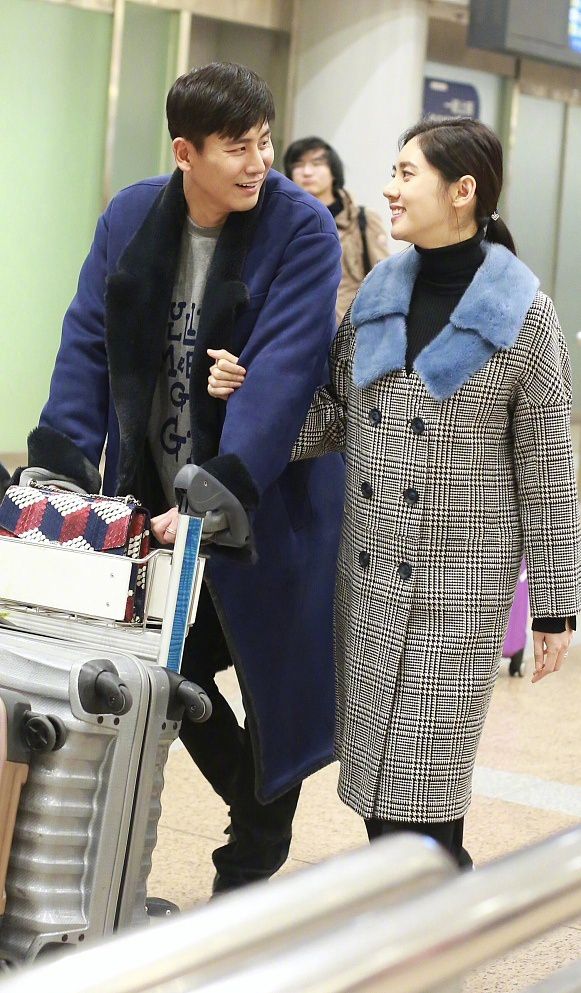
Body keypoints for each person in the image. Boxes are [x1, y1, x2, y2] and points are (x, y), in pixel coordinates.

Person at [208, 117, 581, 867]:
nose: (389, 188)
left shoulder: (524, 313)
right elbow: (335, 416)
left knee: (424, 796)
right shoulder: (379, 291)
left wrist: (554, 603)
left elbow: (548, 466)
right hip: (370, 580)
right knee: (382, 794)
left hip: (460, 593)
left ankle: (441, 912)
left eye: (407, 173)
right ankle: (426, 912)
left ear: (463, 191)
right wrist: (253, 394)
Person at [20, 62, 344, 892]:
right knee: (166, 673)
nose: (258, 162)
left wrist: (217, 488)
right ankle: (255, 812)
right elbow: (87, 338)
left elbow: (285, 371)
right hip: (154, 505)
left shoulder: (301, 228)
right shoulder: (132, 216)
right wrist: (62, 464)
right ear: (184, 152)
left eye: (264, 142)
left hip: (267, 510)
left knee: (275, 694)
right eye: (237, 147)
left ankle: (245, 871)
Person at [283, 137, 389, 324]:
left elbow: (384, 281)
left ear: (333, 172)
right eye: (298, 165)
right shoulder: (282, 222)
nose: (307, 172)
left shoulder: (362, 219)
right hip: (297, 328)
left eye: (317, 163)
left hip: (348, 330)